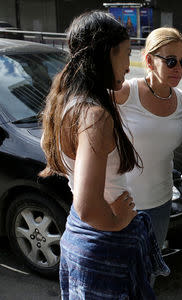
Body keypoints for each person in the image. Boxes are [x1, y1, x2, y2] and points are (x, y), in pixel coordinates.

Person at [39, 11, 168, 299]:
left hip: (79, 234)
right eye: (126, 54)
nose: (128, 65)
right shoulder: (95, 115)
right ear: (108, 53)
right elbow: (89, 205)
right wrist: (117, 221)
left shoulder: (68, 101)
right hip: (104, 243)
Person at [115, 27, 182, 252]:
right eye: (170, 61)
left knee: (150, 273)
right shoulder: (125, 93)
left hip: (162, 202)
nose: (178, 69)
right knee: (124, 277)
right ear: (149, 60)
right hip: (125, 204)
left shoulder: (181, 100)